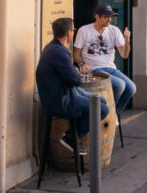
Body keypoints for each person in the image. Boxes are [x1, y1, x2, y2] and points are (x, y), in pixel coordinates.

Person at [37, 17, 109, 154]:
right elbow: (75, 80)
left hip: (64, 92)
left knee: (102, 100)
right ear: (69, 33)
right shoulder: (59, 53)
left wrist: (73, 71)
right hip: (61, 99)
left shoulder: (51, 47)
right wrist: (75, 72)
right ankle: (71, 138)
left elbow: (69, 77)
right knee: (102, 109)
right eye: (73, 30)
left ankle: (75, 135)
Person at [73, 4, 135, 116]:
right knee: (120, 85)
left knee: (131, 88)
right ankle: (108, 114)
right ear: (97, 17)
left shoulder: (114, 30)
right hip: (93, 70)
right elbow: (76, 54)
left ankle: (113, 113)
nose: (109, 19)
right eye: (106, 17)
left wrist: (127, 39)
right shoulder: (84, 30)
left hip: (110, 68)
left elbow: (124, 55)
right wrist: (82, 64)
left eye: (111, 16)